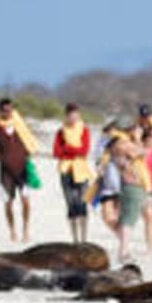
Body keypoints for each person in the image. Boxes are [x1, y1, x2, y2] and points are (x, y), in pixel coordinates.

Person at [0, 98, 40, 242]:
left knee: (25, 200)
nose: (7, 113)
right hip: (5, 171)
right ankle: (12, 231)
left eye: (10, 110)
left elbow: (30, 141)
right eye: (4, 110)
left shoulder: (20, 124)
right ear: (0, 111)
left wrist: (28, 154)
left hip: (23, 169)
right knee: (8, 202)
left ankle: (26, 230)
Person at [52, 103, 93, 243]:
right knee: (71, 204)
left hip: (81, 170)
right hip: (65, 170)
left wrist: (67, 149)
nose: (72, 117)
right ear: (66, 116)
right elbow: (56, 152)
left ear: (79, 115)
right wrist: (73, 150)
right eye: (70, 114)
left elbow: (84, 150)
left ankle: (84, 238)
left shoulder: (84, 130)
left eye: (75, 114)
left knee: (82, 204)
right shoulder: (61, 132)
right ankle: (75, 239)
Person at [112, 116, 150, 262]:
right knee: (129, 218)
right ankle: (124, 252)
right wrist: (139, 138)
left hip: (129, 183)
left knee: (126, 218)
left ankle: (124, 250)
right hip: (131, 183)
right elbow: (142, 152)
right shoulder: (123, 143)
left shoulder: (119, 142)